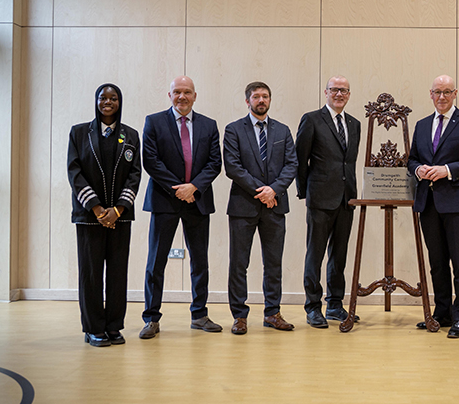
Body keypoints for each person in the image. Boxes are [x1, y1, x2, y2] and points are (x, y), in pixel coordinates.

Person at [140, 75, 223, 339]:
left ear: (195, 96)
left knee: (200, 261)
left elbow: (214, 163)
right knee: (156, 262)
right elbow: (151, 162)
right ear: (170, 95)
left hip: (197, 201)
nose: (182, 97)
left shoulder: (209, 125)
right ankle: (151, 318)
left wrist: (193, 187)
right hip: (165, 200)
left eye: (187, 92)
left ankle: (199, 315)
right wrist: (179, 188)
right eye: (177, 92)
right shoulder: (153, 122)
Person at [408, 75, 459, 338]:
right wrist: (418, 169)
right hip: (428, 204)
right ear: (430, 94)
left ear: (455, 93)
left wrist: (447, 170)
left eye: (447, 92)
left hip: (458, 204)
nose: (442, 97)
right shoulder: (420, 125)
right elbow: (411, 160)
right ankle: (442, 313)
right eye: (437, 92)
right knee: (437, 263)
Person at [67, 83, 141, 347]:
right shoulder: (78, 133)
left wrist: (118, 209)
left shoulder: (131, 135)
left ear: (120, 102)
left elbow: (135, 176)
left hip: (119, 217)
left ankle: (112, 326)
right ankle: (93, 327)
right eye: (103, 97)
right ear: (96, 101)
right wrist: (98, 208)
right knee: (91, 273)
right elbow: (74, 173)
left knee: (118, 273)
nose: (108, 102)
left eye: (113, 98)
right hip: (89, 217)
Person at [223, 81, 298, 334]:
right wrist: (262, 191)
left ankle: (272, 313)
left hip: (275, 206)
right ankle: (240, 316)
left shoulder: (283, 131)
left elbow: (292, 165)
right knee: (239, 263)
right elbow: (233, 167)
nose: (261, 100)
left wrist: (274, 190)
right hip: (243, 206)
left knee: (273, 262)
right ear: (248, 101)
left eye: (265, 96)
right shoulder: (233, 130)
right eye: (256, 97)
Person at [296, 76, 361, 328]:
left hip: (347, 198)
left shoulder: (354, 124)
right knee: (315, 254)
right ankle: (313, 307)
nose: (339, 94)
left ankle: (335, 304)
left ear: (349, 94)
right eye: (334, 90)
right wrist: (305, 193)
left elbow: (349, 162)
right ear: (325, 92)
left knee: (339, 255)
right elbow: (301, 160)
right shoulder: (311, 119)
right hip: (320, 198)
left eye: (344, 90)